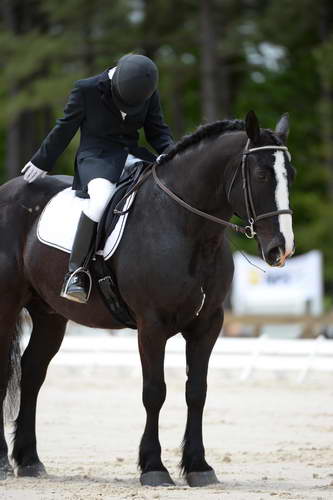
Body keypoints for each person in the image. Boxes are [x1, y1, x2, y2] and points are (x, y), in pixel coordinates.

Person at [22, 54, 174, 304]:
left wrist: (172, 154)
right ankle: (77, 271)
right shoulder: (87, 89)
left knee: (158, 190)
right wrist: (42, 160)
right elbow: (64, 128)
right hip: (97, 158)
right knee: (101, 199)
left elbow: (157, 131)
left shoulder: (147, 92)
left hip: (132, 156)